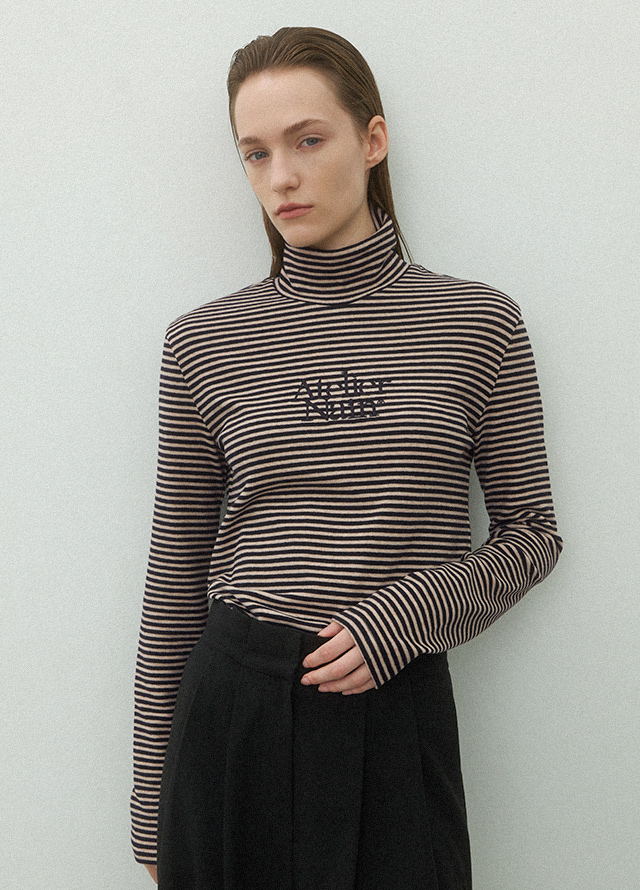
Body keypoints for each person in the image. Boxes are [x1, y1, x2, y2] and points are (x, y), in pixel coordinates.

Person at [131, 26, 562, 889]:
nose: (280, 178)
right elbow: (176, 573)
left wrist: (403, 619)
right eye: (255, 153)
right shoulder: (203, 343)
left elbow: (532, 533)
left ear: (372, 140)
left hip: (396, 709)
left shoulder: (477, 324)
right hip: (234, 715)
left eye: (308, 140)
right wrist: (152, 802)